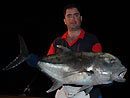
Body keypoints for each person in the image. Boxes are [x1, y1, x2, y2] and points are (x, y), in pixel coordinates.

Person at [47, 4, 102, 98]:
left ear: (81, 18)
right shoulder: (57, 42)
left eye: (76, 15)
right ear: (64, 20)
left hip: (86, 91)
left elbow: (99, 66)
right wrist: (36, 62)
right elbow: (48, 63)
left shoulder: (92, 40)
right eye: (69, 15)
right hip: (63, 90)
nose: (73, 18)